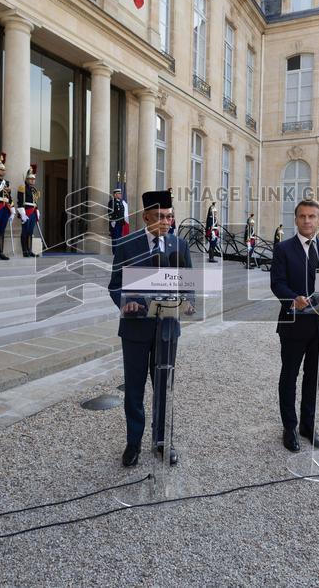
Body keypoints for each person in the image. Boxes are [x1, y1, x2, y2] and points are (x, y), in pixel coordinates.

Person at [107, 190, 194, 468]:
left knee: (163, 388)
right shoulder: (126, 244)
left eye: (169, 217)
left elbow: (188, 286)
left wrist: (188, 304)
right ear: (145, 217)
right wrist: (127, 303)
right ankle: (133, 443)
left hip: (167, 330)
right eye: (159, 217)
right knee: (134, 389)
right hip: (135, 330)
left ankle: (162, 442)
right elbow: (115, 285)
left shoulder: (179, 246)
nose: (166, 222)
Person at [269, 199, 319, 453]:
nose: (307, 221)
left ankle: (308, 427)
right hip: (293, 324)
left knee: (313, 377)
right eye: (302, 216)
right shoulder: (284, 249)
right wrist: (292, 298)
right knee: (289, 377)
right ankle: (289, 427)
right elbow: (277, 283)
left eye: (312, 216)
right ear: (295, 219)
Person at [17, 164, 42, 258]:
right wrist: (22, 213)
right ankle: (24, 251)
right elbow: (20, 201)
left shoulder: (34, 190)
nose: (32, 180)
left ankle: (30, 250)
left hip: (33, 211)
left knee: (30, 232)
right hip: (26, 211)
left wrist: (37, 210)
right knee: (25, 231)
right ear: (27, 179)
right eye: (31, 179)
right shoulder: (22, 188)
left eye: (33, 179)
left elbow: (35, 202)